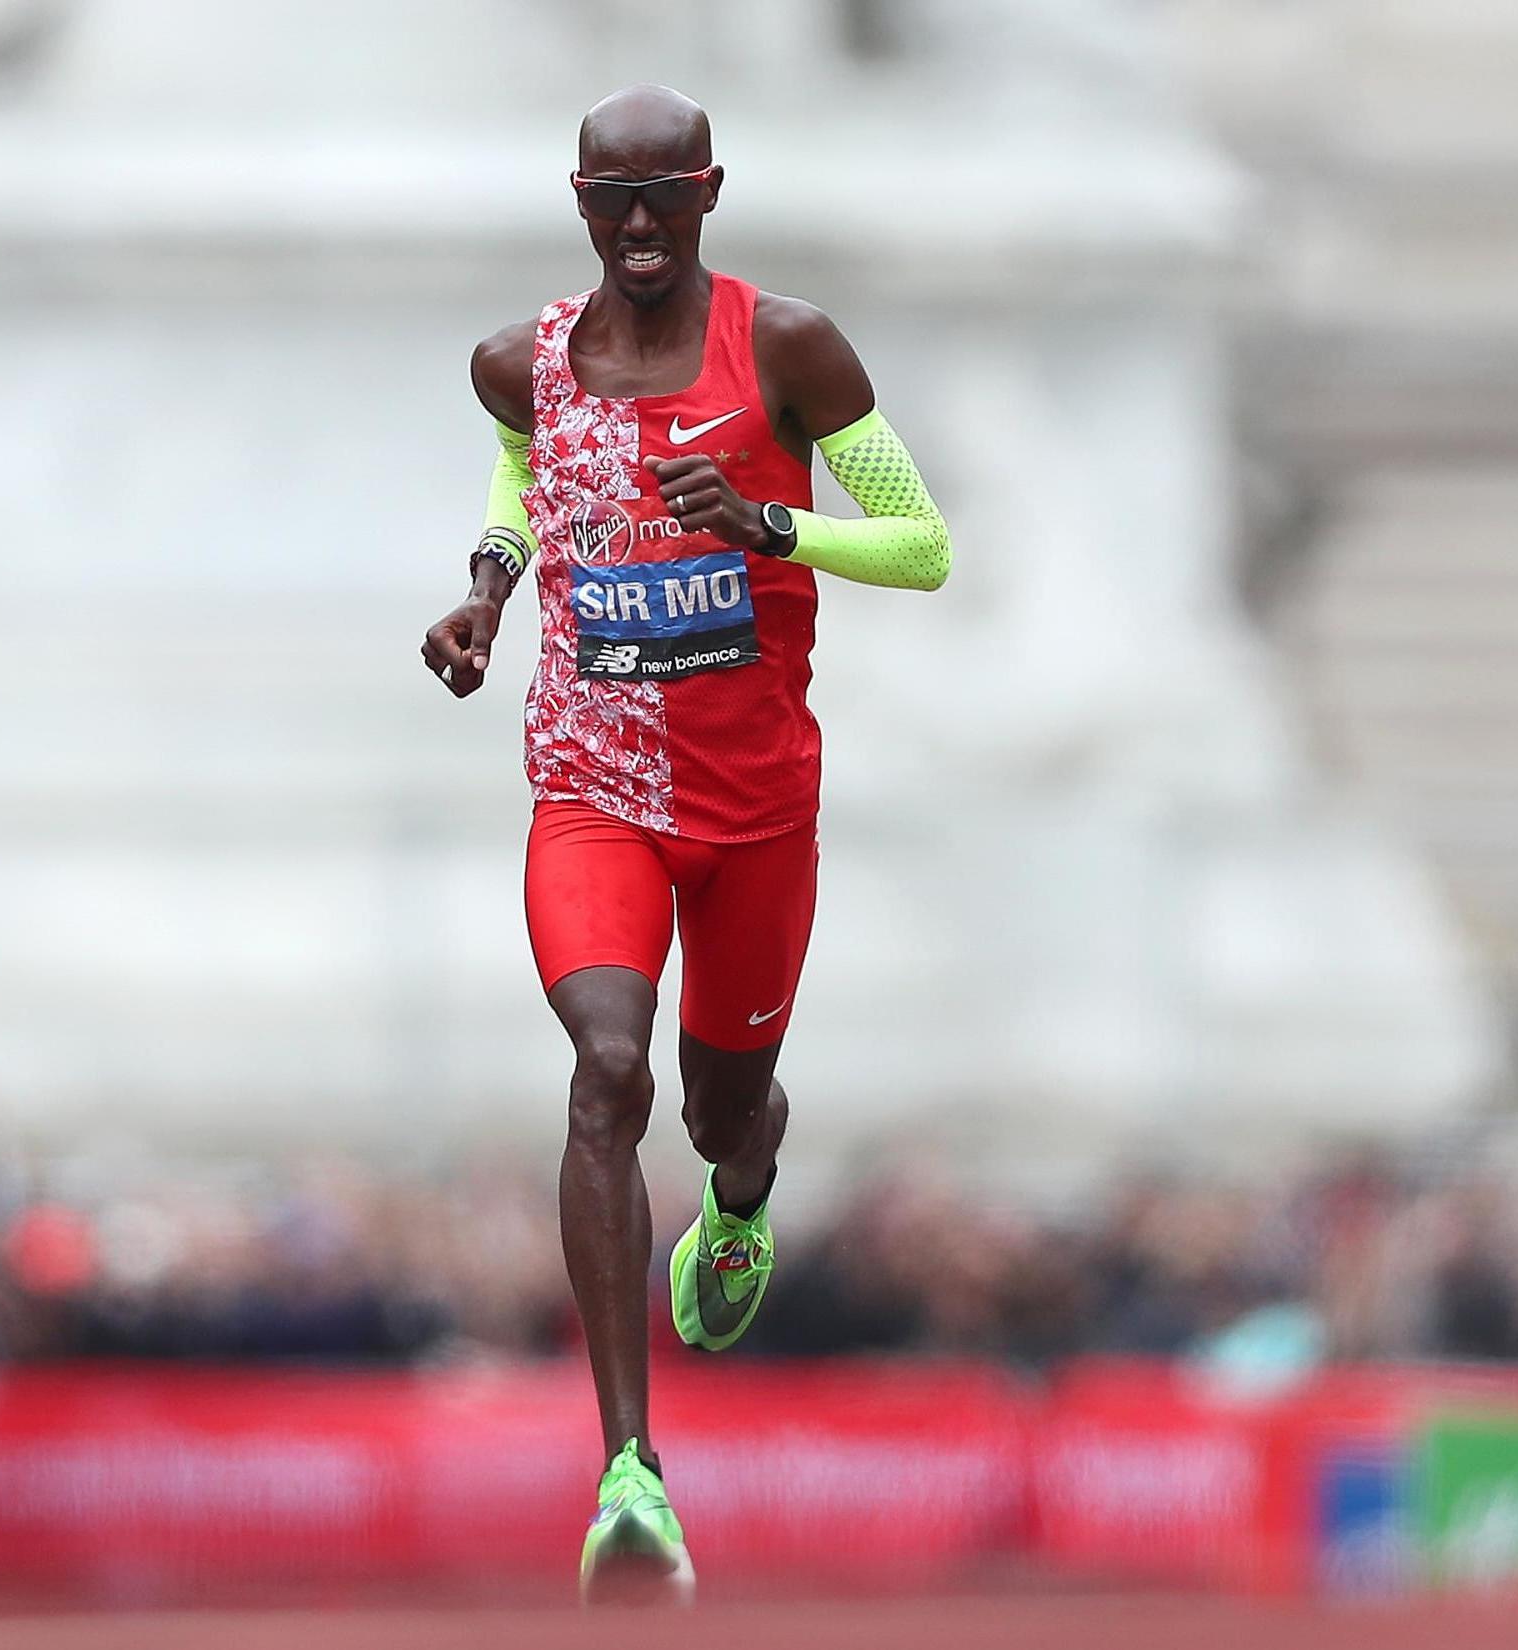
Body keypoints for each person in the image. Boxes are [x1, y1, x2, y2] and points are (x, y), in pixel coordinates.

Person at [420, 83, 952, 1603]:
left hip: (754, 807)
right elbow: (531, 479)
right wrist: (484, 590)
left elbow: (921, 543)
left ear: (710, 194)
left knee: (726, 1107)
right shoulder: (517, 363)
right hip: (591, 788)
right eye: (614, 201)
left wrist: (770, 528)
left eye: (667, 197)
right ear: (577, 204)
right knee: (606, 1065)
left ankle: (734, 1208)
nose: (641, 227)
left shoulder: (785, 347)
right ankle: (628, 1476)